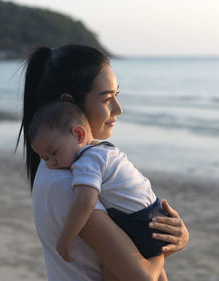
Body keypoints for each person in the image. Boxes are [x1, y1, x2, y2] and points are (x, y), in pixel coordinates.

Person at [16, 44, 189, 281]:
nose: (118, 109)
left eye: (117, 95)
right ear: (70, 103)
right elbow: (142, 277)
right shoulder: (69, 183)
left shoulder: (63, 168)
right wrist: (166, 247)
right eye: (107, 98)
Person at [28, 101, 170, 280]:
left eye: (54, 153)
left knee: (112, 272)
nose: (51, 163)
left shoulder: (85, 163)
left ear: (79, 134)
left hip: (139, 221)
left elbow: (85, 202)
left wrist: (66, 238)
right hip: (153, 212)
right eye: (45, 158)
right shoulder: (105, 149)